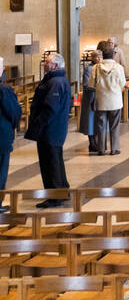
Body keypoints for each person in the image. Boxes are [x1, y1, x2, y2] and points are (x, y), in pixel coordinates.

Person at [24, 51, 72, 202]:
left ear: (55, 65)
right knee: (55, 160)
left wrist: (37, 125)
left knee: (49, 163)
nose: (45, 64)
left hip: (50, 130)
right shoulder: (58, 80)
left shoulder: (55, 82)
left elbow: (50, 109)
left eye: (47, 62)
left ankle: (55, 197)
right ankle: (62, 191)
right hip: (54, 129)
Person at [90, 46, 126, 155]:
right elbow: (122, 84)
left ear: (103, 56)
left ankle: (101, 149)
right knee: (114, 125)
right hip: (115, 100)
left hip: (101, 100)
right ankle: (114, 149)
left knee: (101, 125)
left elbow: (91, 84)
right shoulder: (118, 67)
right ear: (113, 55)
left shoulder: (95, 68)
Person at [0, 56, 22, 213]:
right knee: (1, 171)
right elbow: (14, 112)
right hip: (1, 137)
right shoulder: (4, 90)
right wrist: (13, 126)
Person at [78, 49, 101, 152]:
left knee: (97, 120)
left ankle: (96, 142)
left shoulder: (101, 67)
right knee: (90, 121)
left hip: (98, 97)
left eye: (100, 56)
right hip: (90, 98)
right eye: (96, 56)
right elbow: (86, 84)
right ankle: (92, 143)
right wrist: (98, 87)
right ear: (92, 58)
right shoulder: (89, 69)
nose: (98, 58)